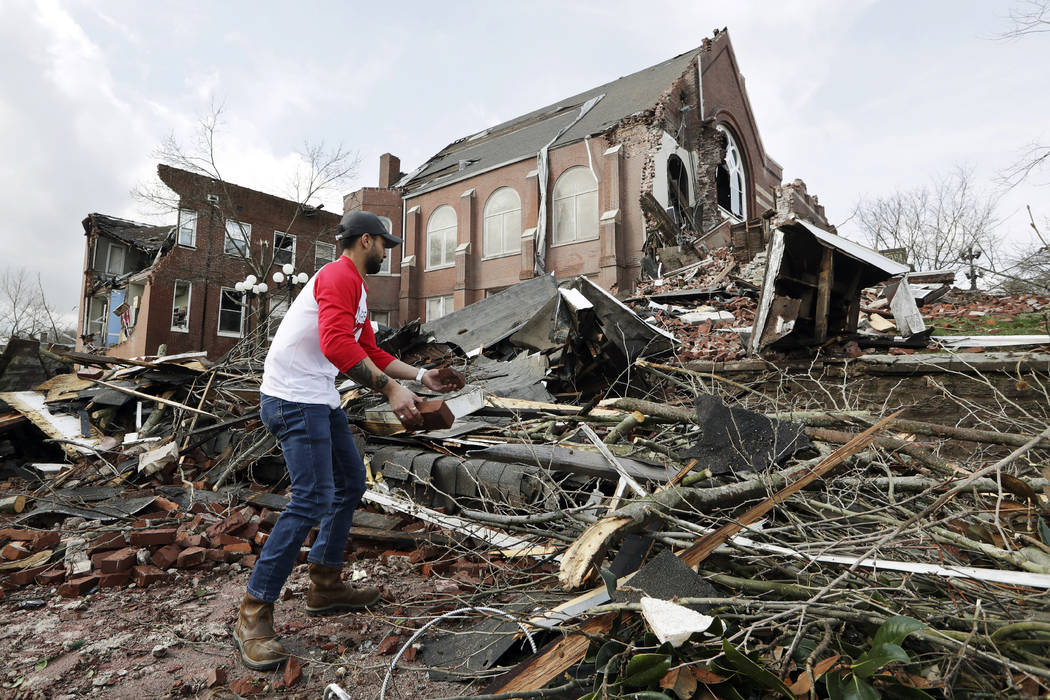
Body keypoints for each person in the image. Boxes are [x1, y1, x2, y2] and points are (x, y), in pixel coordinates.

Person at [233, 210, 461, 670]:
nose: (387, 251)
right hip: (292, 400)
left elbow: (368, 350)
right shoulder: (338, 276)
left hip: (318, 396)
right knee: (311, 498)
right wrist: (390, 389)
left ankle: (325, 583)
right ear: (364, 241)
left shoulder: (354, 285)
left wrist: (420, 376)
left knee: (350, 483)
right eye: (384, 244)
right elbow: (337, 345)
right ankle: (254, 611)